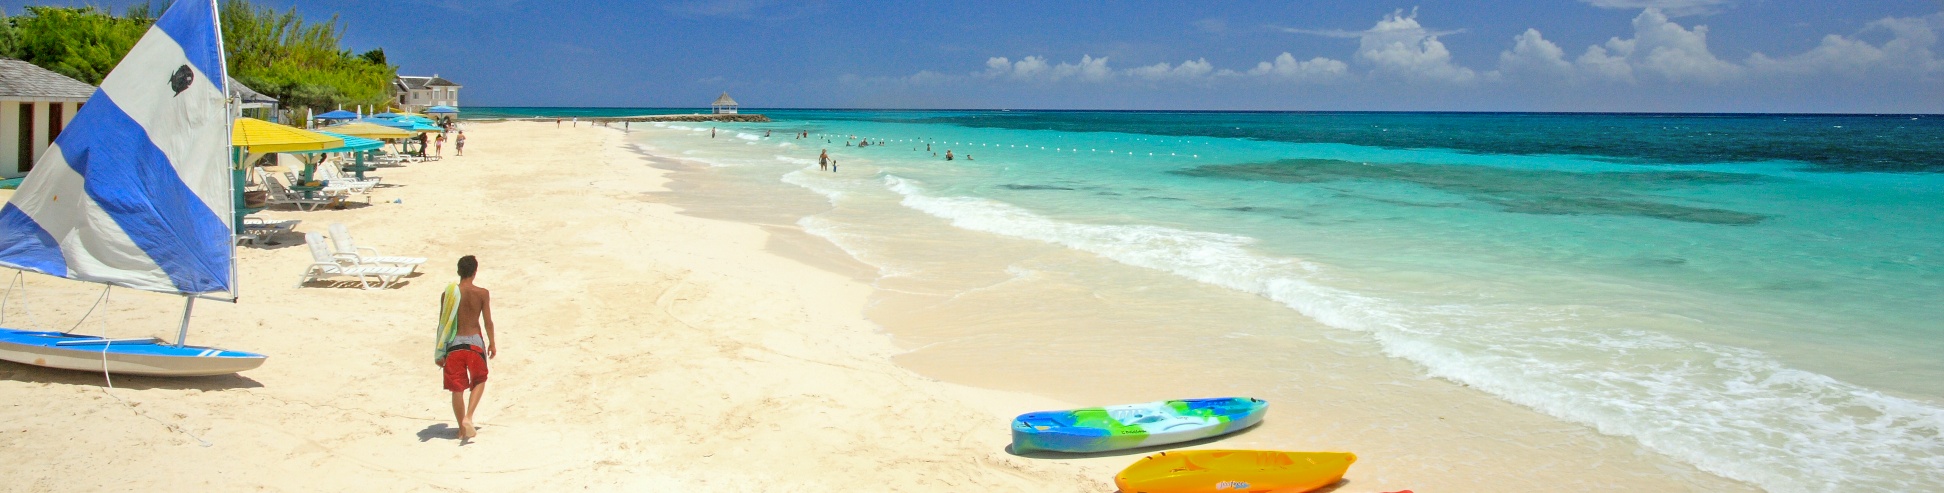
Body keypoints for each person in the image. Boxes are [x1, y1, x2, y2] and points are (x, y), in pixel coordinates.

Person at [437, 255, 496, 441]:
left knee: (457, 389)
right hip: (474, 343)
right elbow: (488, 322)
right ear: (475, 272)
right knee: (479, 379)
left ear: (458, 271)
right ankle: (468, 417)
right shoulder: (482, 293)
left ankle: (461, 430)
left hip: (454, 344)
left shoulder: (447, 294)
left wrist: (439, 351)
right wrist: (492, 343)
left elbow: (442, 324)